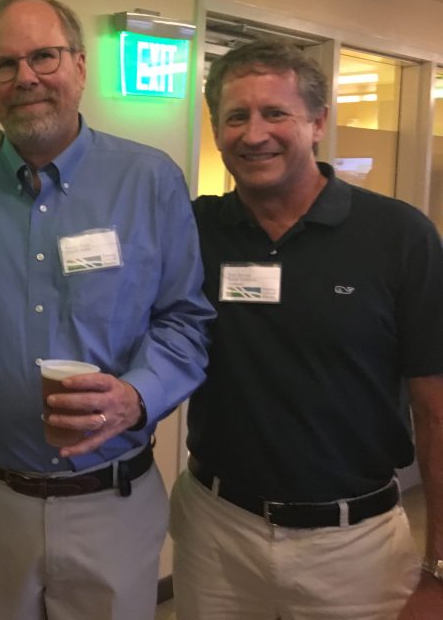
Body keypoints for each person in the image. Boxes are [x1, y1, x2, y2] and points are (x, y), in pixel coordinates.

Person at [0, 0, 213, 620]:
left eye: (43, 57)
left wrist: (135, 396)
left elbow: (186, 322)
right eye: (4, 64)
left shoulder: (150, 181)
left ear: (79, 65)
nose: (26, 78)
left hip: (113, 503)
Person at [170, 38, 443, 620]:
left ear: (319, 123)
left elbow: (436, 409)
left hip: (354, 547)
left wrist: (440, 566)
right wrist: (0, 156)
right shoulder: (192, 229)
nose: (253, 133)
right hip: (217, 531)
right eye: (235, 116)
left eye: (276, 113)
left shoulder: (399, 237)